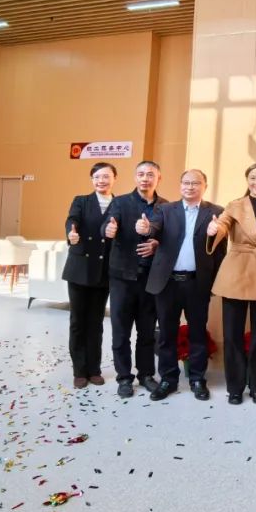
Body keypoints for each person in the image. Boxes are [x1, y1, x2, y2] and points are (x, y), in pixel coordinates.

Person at [206, 163, 256, 405]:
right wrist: (214, 229)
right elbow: (223, 225)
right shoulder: (235, 205)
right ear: (247, 180)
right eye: (253, 177)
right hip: (237, 273)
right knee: (232, 334)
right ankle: (235, 387)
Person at [146, 169, 226, 402]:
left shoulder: (216, 212)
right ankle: (168, 379)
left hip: (197, 283)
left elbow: (220, 252)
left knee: (198, 333)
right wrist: (146, 229)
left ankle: (197, 379)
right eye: (186, 182)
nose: (190, 187)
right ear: (180, 185)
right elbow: (154, 228)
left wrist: (213, 282)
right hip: (168, 283)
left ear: (205, 186)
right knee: (166, 334)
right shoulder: (165, 209)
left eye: (196, 183)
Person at [104, 161, 168, 398]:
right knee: (121, 331)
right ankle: (124, 377)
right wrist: (108, 230)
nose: (145, 178)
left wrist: (157, 243)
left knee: (147, 331)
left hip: (151, 279)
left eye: (150, 174)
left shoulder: (166, 206)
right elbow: (108, 224)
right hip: (122, 277)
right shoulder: (120, 202)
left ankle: (146, 374)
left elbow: (171, 238)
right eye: (141, 174)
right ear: (135, 177)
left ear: (158, 178)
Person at [62, 162, 117, 389]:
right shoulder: (81, 201)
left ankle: (94, 369)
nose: (101, 180)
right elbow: (72, 220)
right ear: (92, 180)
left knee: (96, 322)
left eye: (106, 176)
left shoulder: (119, 203)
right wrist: (71, 233)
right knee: (78, 321)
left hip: (104, 270)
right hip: (80, 269)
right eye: (97, 177)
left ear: (114, 178)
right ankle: (79, 370)